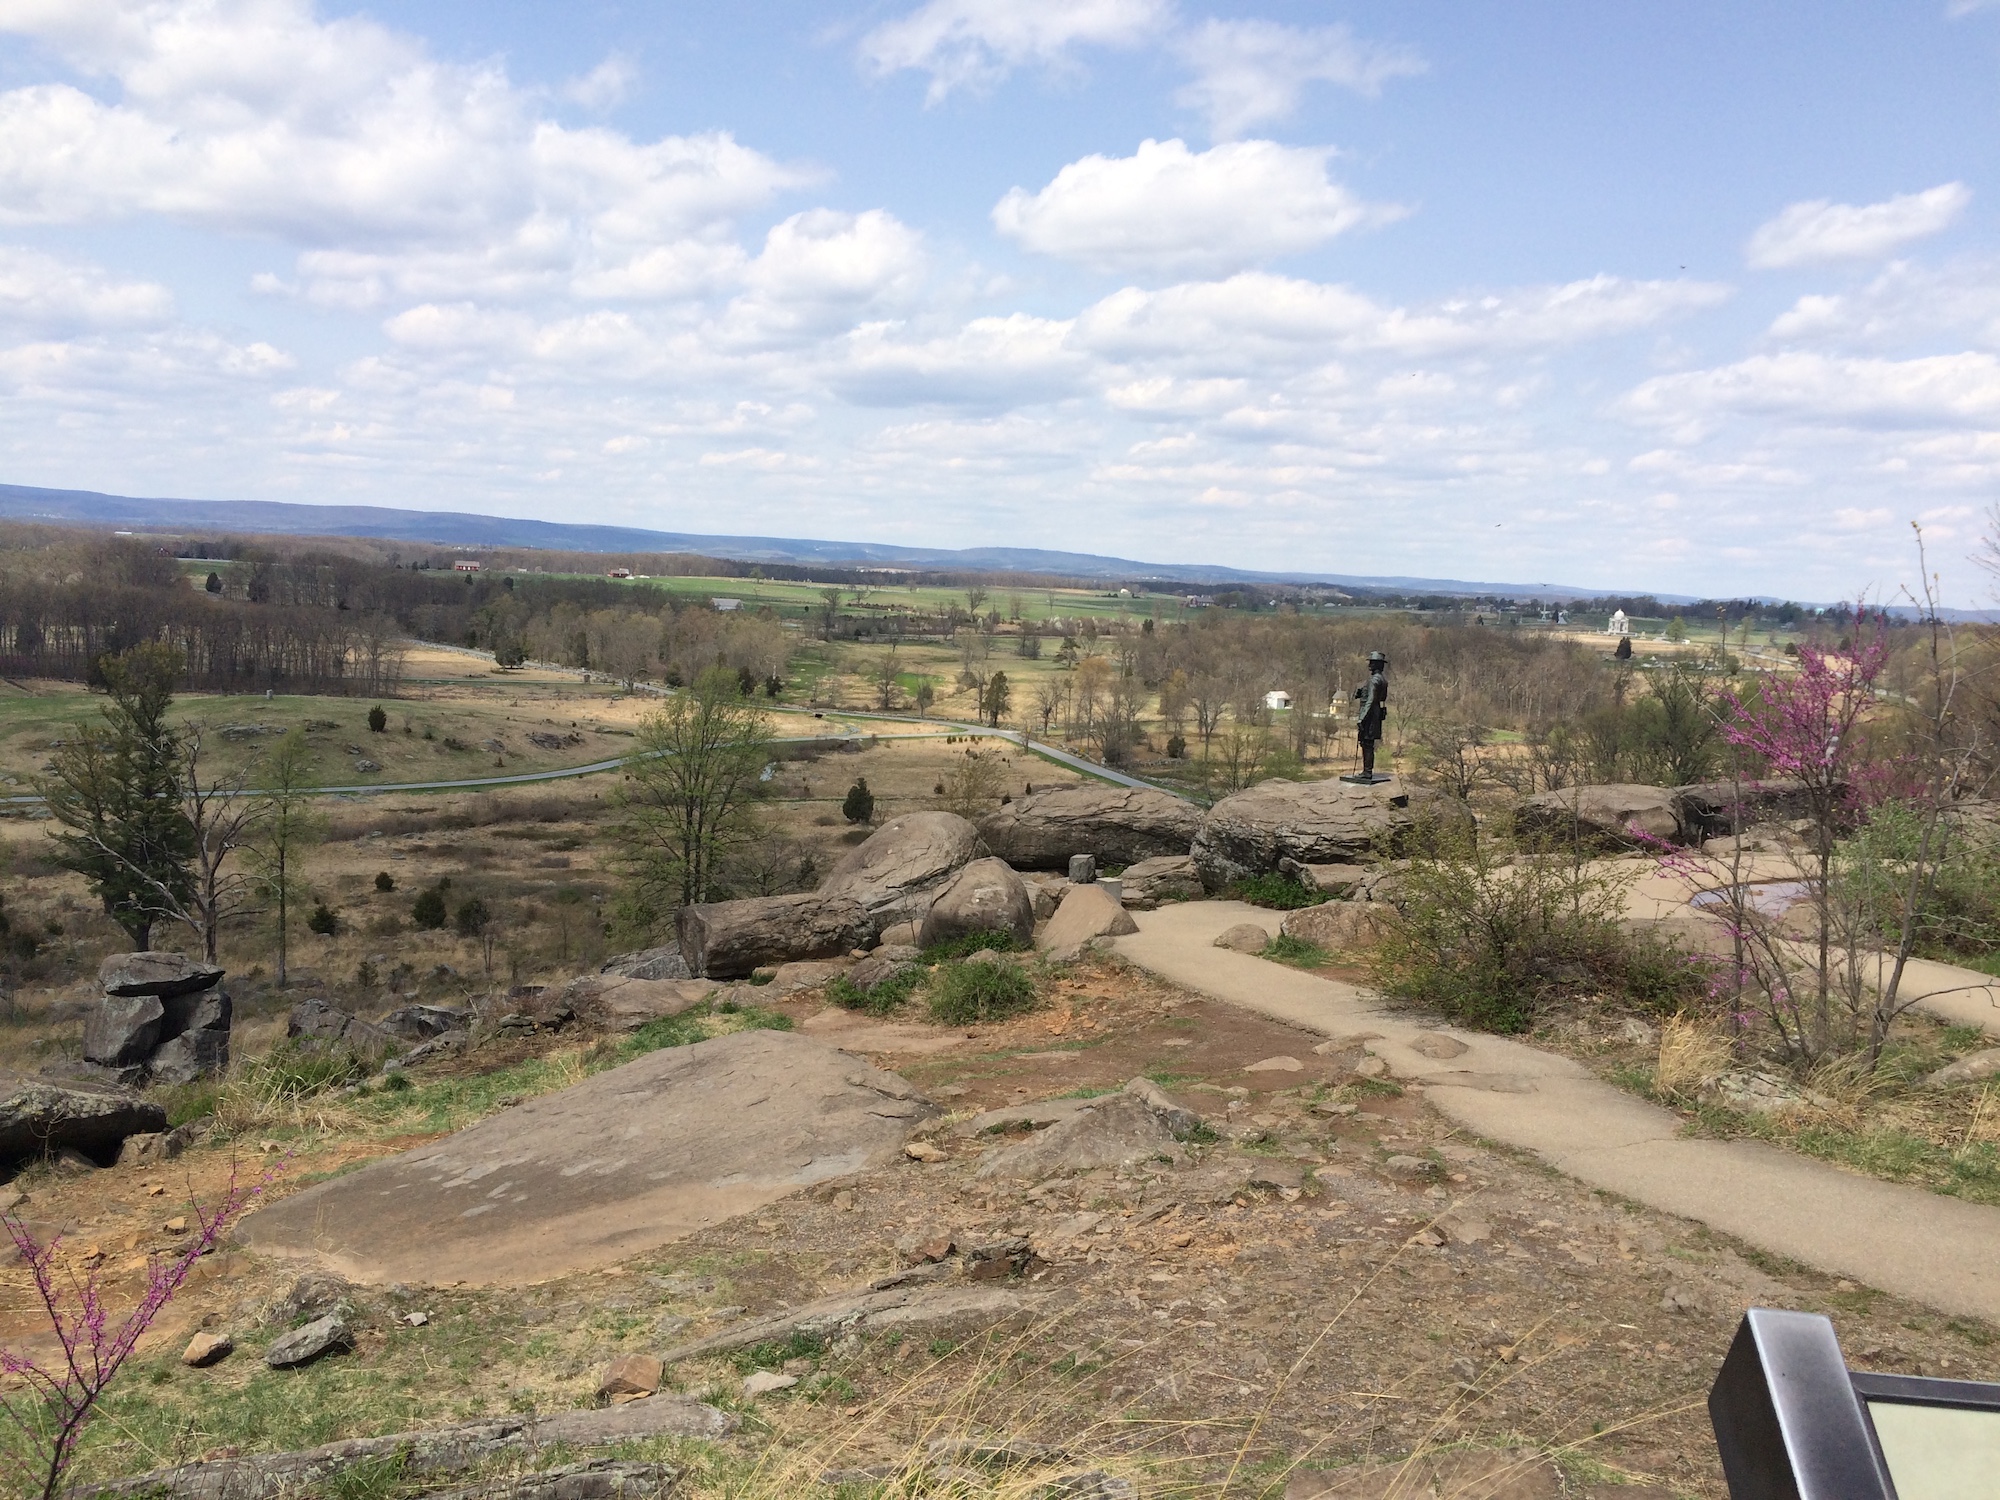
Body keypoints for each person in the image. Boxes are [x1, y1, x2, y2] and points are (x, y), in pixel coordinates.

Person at [1353, 651, 1389, 777]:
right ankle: (1367, 770)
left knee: (1366, 743)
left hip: (1369, 715)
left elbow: (1371, 700)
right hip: (1376, 713)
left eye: (1372, 662)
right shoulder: (1383, 680)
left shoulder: (1374, 680)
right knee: (1368, 743)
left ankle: (1367, 772)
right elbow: (1382, 698)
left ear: (1378, 665)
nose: (1369, 664)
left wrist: (1362, 718)